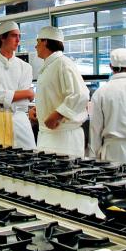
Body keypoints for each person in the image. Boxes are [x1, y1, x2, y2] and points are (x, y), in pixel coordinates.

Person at [29, 26, 89, 157]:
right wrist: (39, 109)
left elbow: (80, 94)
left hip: (63, 138)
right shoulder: (50, 65)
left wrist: (57, 114)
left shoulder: (63, 63)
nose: (35, 47)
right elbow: (55, 95)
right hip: (50, 136)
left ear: (45, 42)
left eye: (37, 42)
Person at [0, 21, 36, 150]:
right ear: (2, 38)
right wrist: (27, 93)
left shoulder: (26, 67)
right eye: (14, 36)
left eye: (19, 36)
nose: (18, 40)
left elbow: (22, 103)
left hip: (19, 121)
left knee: (29, 160)